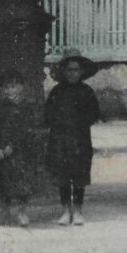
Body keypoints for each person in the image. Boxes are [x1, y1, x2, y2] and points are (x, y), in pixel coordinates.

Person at [45, 51, 101, 226]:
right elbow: (48, 114)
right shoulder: (56, 92)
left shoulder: (87, 92)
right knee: (62, 175)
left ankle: (77, 210)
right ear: (63, 71)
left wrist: (79, 123)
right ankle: (64, 211)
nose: (72, 73)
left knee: (79, 175)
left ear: (81, 72)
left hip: (80, 139)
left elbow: (94, 114)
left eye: (76, 70)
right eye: (68, 70)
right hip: (59, 139)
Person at [0, 75, 41, 227]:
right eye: (7, 86)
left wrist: (13, 145)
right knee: (3, 181)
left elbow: (28, 130)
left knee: (22, 182)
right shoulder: (0, 107)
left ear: (23, 87)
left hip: (22, 151)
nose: (11, 89)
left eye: (15, 85)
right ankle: (4, 212)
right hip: (3, 151)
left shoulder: (28, 107)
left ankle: (22, 212)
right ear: (3, 89)